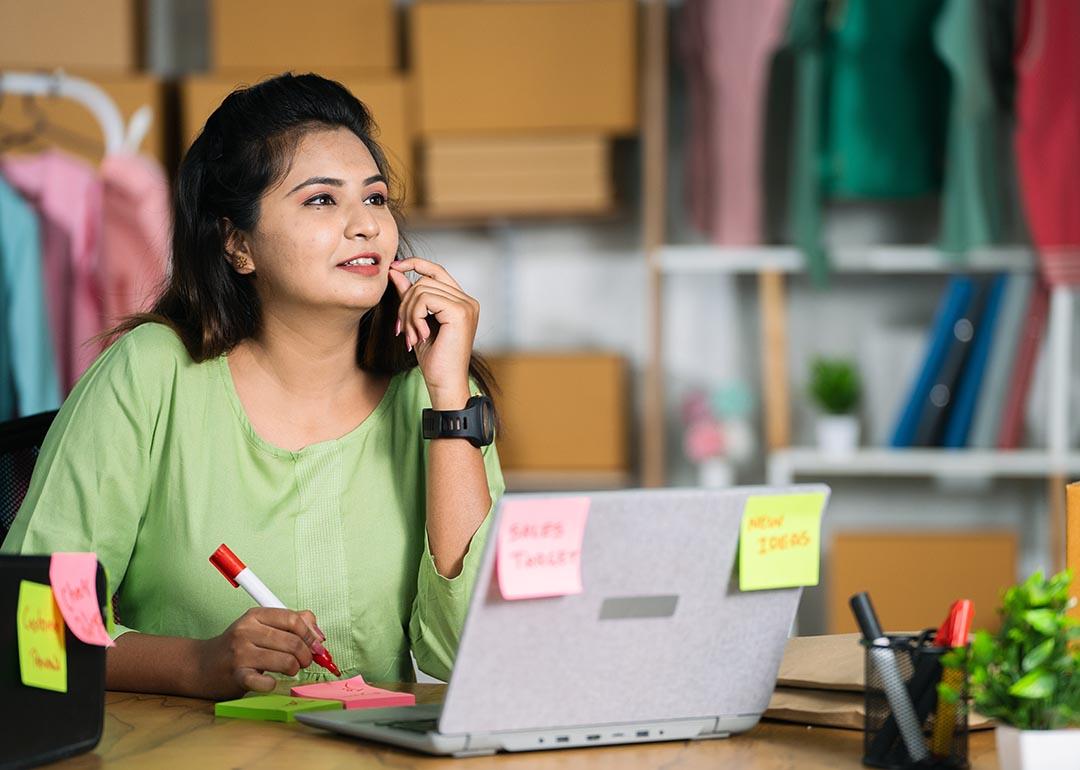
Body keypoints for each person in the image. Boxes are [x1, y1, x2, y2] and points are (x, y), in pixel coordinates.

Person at [1, 73, 504, 699]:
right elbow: (35, 627)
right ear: (238, 245)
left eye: (375, 199)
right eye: (322, 200)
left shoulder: (430, 397)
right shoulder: (153, 371)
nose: (367, 226)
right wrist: (195, 665)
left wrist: (450, 397)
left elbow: (473, 651)